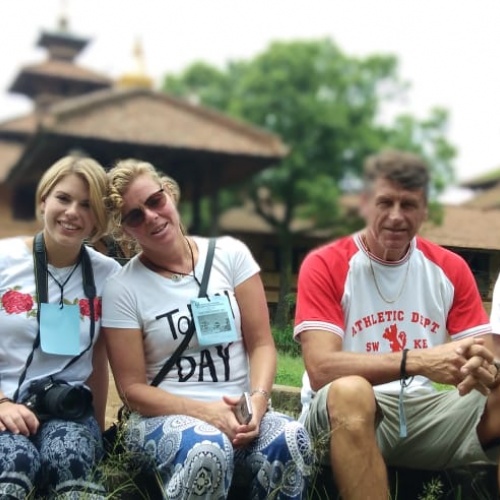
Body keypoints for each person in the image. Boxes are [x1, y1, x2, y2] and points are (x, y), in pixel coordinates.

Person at [294, 149, 500, 499]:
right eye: (384, 202)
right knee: (351, 391)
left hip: (424, 416)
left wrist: (482, 366)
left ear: (425, 210)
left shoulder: (450, 269)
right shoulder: (326, 264)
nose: (395, 216)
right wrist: (418, 360)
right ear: (363, 204)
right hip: (338, 415)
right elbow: (321, 369)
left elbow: (485, 359)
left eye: (408, 205)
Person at [101, 158, 312, 499]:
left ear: (169, 193)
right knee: (208, 448)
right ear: (125, 230)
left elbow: (261, 344)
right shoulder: (122, 288)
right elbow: (132, 389)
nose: (152, 216)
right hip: (163, 420)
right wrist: (205, 413)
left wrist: (258, 401)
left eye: (155, 201)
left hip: (242, 414)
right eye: (135, 216)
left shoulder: (230, 254)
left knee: (290, 437)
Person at [0, 156, 121, 499]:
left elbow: (98, 359)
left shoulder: (109, 275)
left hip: (65, 411)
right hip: (3, 404)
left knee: (72, 457)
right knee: (16, 460)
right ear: (43, 201)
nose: (72, 212)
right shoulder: (4, 259)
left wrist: (95, 430)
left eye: (87, 205)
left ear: (98, 217)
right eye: (63, 198)